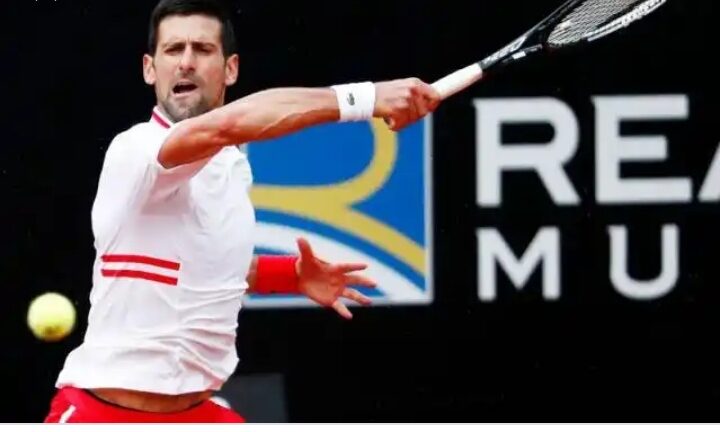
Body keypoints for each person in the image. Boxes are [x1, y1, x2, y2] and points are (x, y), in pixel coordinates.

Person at [44, 0, 441, 423]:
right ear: (149, 69)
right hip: (103, 414)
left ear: (230, 69)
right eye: (173, 49)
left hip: (200, 412)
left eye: (202, 49)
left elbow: (202, 268)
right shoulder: (136, 150)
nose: (186, 62)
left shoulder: (230, 166)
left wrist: (289, 275)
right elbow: (228, 125)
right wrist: (367, 98)